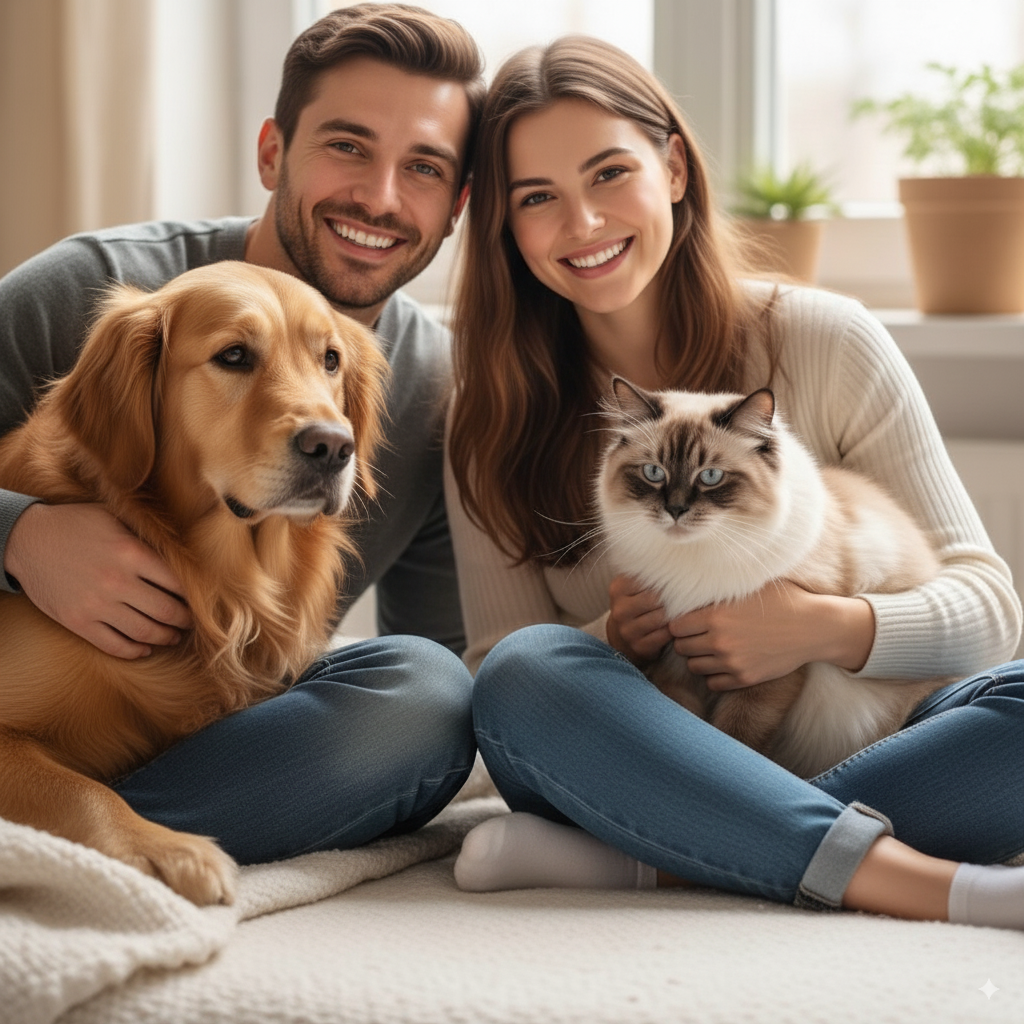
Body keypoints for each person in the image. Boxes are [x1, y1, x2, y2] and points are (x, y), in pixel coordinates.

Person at [444, 35, 1024, 931]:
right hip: (646, 752)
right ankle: (915, 880)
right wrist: (615, 639)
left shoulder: (826, 340)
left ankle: (655, 858)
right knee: (528, 674)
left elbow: (991, 611)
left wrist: (822, 626)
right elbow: (496, 680)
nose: (583, 222)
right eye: (537, 198)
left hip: (845, 745)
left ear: (674, 168)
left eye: (609, 174)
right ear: (505, 225)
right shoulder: (492, 416)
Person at [0, 4, 485, 865]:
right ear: (272, 153)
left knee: (428, 697)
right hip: (46, 694)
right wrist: (18, 535)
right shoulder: (91, 287)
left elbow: (436, 658)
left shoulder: (436, 392)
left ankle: (65, 817)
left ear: (457, 204)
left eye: (423, 167)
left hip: (235, 712)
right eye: (348, 145)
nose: (380, 197)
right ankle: (83, 820)